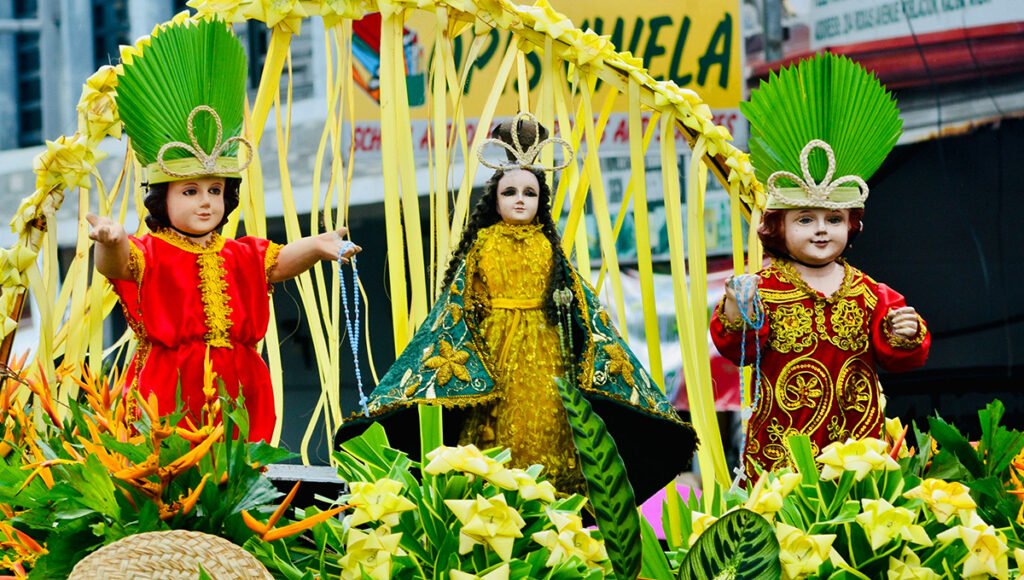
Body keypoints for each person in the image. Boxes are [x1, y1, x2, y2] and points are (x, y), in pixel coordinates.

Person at [337, 113, 696, 500]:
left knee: (549, 431)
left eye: (529, 193)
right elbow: (456, 308)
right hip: (494, 356)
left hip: (547, 358)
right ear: (495, 198)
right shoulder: (484, 244)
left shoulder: (550, 248)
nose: (520, 200)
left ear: (541, 200)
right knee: (497, 435)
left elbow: (585, 310)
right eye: (511, 192)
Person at [87, 18, 360, 442]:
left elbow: (279, 263)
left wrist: (316, 245)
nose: (206, 201)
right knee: (175, 476)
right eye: (191, 191)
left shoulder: (240, 253)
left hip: (241, 385)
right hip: (170, 388)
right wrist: (113, 241)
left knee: (242, 476)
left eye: (215, 189)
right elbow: (116, 268)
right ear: (162, 199)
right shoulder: (150, 251)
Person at [710, 53, 930, 480]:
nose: (821, 231)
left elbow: (902, 356)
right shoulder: (762, 287)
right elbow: (739, 351)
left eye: (833, 220)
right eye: (805, 220)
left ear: (851, 224)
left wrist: (906, 332)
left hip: (860, 456)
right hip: (781, 460)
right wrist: (736, 312)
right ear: (777, 227)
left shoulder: (871, 293)